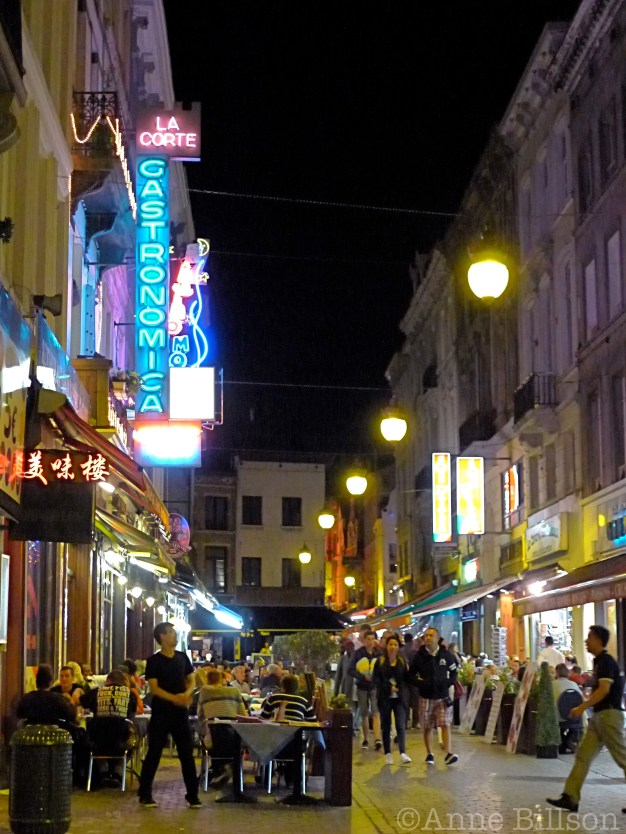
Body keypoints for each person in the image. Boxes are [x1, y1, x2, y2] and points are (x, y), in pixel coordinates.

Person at [547, 625, 626, 814]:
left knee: (622, 757)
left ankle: (570, 796)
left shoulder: (606, 661)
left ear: (598, 640)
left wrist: (582, 707)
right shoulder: (599, 662)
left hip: (609, 716)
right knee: (583, 755)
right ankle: (570, 797)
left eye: (589, 637)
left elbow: (604, 690)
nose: (586, 641)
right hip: (600, 716)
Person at [138, 622, 201, 809]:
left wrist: (187, 694)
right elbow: (154, 688)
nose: (175, 635)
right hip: (161, 713)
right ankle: (145, 794)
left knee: (186, 753)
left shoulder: (182, 658)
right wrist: (175, 698)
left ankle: (193, 795)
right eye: (172, 632)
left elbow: (192, 680)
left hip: (180, 713)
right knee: (154, 752)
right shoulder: (154, 661)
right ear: (162, 637)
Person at [408, 627, 459, 765]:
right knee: (427, 726)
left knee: (445, 723)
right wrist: (421, 683)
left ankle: (448, 753)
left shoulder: (446, 655)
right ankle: (429, 753)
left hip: (442, 696)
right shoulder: (419, 656)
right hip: (426, 696)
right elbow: (411, 675)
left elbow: (454, 672)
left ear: (437, 638)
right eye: (426, 636)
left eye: (431, 635)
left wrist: (447, 683)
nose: (428, 638)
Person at [374, 634, 411, 765]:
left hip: (399, 698)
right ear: (386, 646)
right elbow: (376, 680)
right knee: (386, 725)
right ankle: (388, 753)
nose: (393, 647)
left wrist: (400, 689)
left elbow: (407, 678)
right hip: (385, 698)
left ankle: (402, 752)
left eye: (395, 644)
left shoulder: (402, 661)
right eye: (391, 644)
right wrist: (389, 687)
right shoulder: (380, 661)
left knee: (400, 725)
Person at [348, 629, 382, 751]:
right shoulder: (358, 654)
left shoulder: (378, 654)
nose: (371, 642)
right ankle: (366, 739)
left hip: (374, 687)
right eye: (368, 639)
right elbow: (350, 670)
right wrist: (362, 676)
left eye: (373, 639)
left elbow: (382, 669)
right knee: (364, 714)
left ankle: (377, 739)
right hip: (362, 687)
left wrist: (377, 678)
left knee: (376, 712)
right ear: (364, 640)